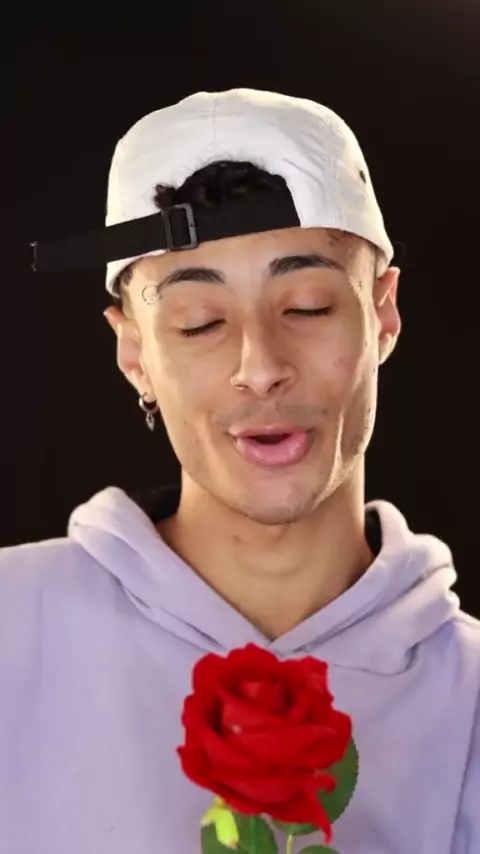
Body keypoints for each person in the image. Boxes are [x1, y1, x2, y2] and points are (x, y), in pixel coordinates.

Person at [1, 89, 478, 854]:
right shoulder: (12, 628)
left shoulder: (470, 698)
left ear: (382, 314)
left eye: (309, 306)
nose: (259, 368)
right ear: (135, 353)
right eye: (201, 323)